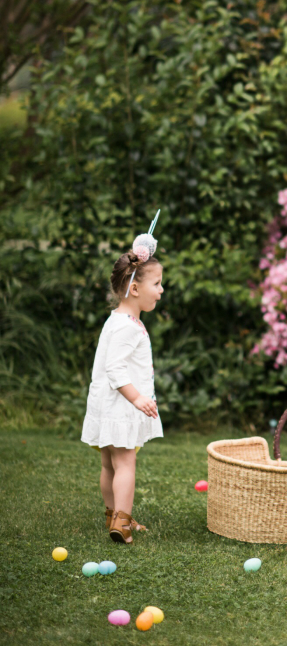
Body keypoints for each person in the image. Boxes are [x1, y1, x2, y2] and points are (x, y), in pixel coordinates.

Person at [81, 232, 164, 544]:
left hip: (105, 406)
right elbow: (115, 369)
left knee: (109, 465)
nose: (161, 290)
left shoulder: (116, 320)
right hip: (120, 407)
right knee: (125, 463)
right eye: (156, 284)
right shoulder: (128, 327)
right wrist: (138, 398)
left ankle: (113, 515)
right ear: (134, 288)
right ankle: (123, 522)